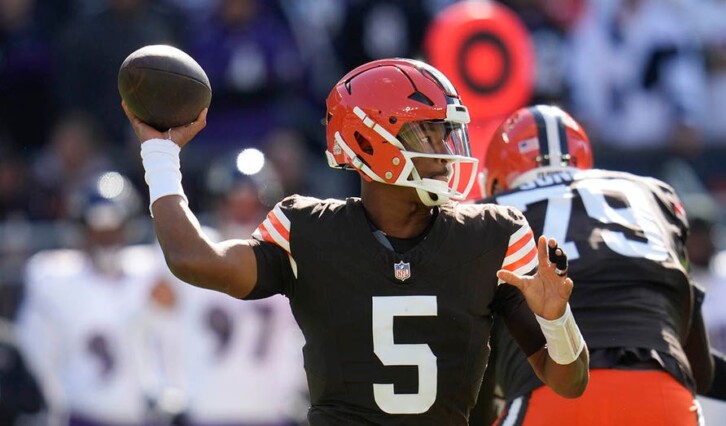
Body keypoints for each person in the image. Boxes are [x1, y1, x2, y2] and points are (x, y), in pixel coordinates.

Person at [121, 58, 589, 424]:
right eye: (429, 133)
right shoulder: (309, 229)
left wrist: (558, 321)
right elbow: (191, 258)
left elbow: (568, 381)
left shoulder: (492, 234)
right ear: (371, 141)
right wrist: (160, 153)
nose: (447, 152)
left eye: (447, 134)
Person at [476, 104, 726, 425]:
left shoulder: (486, 217)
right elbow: (699, 368)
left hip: (551, 399)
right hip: (664, 399)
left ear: (497, 181)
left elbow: (474, 357)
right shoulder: (652, 196)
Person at [15, 171, 183, 425]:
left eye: (114, 230)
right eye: (98, 231)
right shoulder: (54, 280)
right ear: (81, 230)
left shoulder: (149, 273)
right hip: (82, 415)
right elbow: (37, 359)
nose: (107, 240)